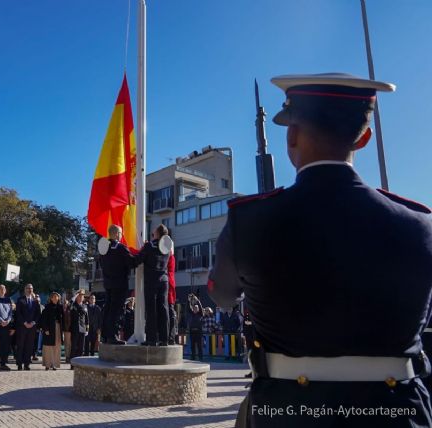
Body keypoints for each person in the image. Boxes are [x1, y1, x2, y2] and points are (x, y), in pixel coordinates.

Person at [211, 73, 432, 427]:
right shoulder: (421, 225)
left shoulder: (250, 220)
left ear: (292, 135)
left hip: (286, 411)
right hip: (396, 412)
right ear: (363, 139)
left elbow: (222, 296)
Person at [99, 224, 135, 345]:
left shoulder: (104, 249)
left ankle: (105, 336)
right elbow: (132, 262)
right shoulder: (120, 248)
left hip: (108, 283)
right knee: (117, 310)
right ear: (116, 234)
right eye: (120, 233)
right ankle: (113, 336)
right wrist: (142, 254)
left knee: (108, 309)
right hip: (120, 283)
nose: (121, 235)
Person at [135, 224, 170, 346]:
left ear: (157, 233)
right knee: (163, 309)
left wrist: (143, 248)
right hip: (164, 280)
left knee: (151, 310)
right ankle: (164, 339)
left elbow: (138, 259)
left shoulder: (149, 246)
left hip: (151, 281)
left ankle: (151, 339)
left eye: (154, 231)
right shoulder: (167, 247)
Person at [15, 283, 41, 370]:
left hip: (32, 328)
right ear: (25, 290)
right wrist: (24, 323)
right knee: (20, 346)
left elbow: (38, 314)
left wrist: (33, 323)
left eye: (31, 288)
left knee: (29, 346)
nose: (30, 290)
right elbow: (18, 314)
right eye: (28, 288)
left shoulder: (35, 301)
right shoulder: (20, 300)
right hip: (22, 327)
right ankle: (19, 364)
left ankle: (27, 364)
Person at [40, 292, 64, 370]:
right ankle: (47, 364)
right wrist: (45, 329)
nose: (55, 298)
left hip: (58, 328)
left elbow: (62, 319)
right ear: (50, 298)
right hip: (49, 329)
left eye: (57, 297)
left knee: (56, 347)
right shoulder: (47, 308)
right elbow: (43, 320)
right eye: (53, 297)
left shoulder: (60, 307)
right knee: (48, 347)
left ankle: (54, 364)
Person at [70, 289, 89, 368]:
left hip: (82, 329)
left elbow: (87, 319)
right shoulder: (73, 305)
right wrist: (75, 296)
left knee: (81, 347)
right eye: (79, 296)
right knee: (74, 347)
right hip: (75, 329)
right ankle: (72, 364)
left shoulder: (85, 306)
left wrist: (87, 329)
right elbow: (70, 304)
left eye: (82, 296)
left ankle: (79, 364)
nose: (81, 297)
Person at [187, 296, 203, 361]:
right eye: (194, 308)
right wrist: (189, 301)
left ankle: (200, 357)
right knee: (192, 346)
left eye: (196, 308)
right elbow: (188, 308)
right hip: (192, 332)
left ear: (198, 309)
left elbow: (201, 307)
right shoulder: (191, 314)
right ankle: (193, 357)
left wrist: (197, 300)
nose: (195, 309)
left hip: (198, 332)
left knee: (199, 346)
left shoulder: (200, 314)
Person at [167, 250, 177, 345]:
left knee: (170, 315)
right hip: (169, 294)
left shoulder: (170, 257)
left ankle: (170, 337)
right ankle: (170, 337)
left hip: (168, 294)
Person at [62, 296, 73, 363]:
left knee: (69, 344)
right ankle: (67, 357)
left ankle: (69, 356)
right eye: (64, 303)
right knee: (67, 344)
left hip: (69, 329)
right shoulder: (62, 310)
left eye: (66, 303)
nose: (65, 304)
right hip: (64, 329)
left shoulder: (69, 311)